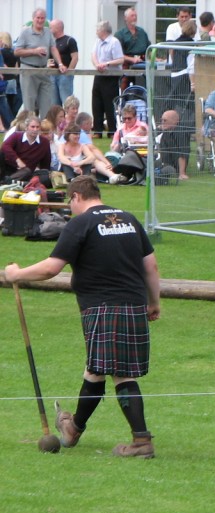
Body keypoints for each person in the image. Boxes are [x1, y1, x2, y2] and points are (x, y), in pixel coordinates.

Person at [5, 175, 161, 458]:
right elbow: (150, 264)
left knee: (116, 373)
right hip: (131, 304)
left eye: (69, 201)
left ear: (76, 196)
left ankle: (140, 442)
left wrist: (17, 274)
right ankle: (74, 428)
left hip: (103, 307)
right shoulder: (128, 218)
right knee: (98, 370)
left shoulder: (81, 223)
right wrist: (154, 301)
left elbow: (52, 268)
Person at [14, 9, 62, 116]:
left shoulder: (48, 32)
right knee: (29, 105)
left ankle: (44, 131)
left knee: (46, 104)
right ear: (33, 19)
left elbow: (53, 48)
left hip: (44, 70)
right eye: (38, 18)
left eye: (42, 18)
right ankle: (30, 130)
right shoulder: (25, 32)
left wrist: (60, 63)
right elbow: (17, 52)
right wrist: (34, 51)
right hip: (28, 70)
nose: (40, 20)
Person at [56, 124, 125, 183]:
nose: (77, 136)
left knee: (89, 161)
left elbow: (92, 157)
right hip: (68, 170)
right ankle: (71, 179)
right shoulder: (62, 145)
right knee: (65, 164)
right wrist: (73, 165)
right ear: (68, 135)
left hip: (80, 170)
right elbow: (61, 157)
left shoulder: (82, 146)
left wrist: (80, 163)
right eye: (75, 134)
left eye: (78, 134)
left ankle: (85, 178)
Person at [91, 21, 124, 139]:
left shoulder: (114, 42)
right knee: (96, 102)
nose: (96, 32)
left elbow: (120, 59)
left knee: (109, 103)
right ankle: (98, 130)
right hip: (99, 74)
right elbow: (93, 54)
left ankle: (112, 131)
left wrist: (107, 64)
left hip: (111, 76)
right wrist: (97, 65)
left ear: (103, 30)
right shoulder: (97, 42)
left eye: (97, 29)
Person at [1, 114, 51, 180]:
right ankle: (7, 180)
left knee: (39, 174)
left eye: (37, 127)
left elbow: (46, 162)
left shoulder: (44, 142)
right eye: (32, 127)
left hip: (26, 172)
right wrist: (17, 160)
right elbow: (5, 147)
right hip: (9, 167)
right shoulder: (16, 135)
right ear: (26, 127)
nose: (35, 129)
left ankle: (7, 181)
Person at [49, 20, 78, 108]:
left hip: (64, 75)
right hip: (52, 75)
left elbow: (75, 57)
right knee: (54, 104)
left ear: (58, 28)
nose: (49, 29)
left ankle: (69, 121)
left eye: (51, 27)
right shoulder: (52, 42)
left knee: (67, 102)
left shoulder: (69, 40)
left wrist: (69, 73)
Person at [155, 109, 190, 180]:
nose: (162, 123)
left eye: (165, 121)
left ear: (175, 121)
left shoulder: (181, 133)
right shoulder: (166, 131)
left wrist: (182, 173)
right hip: (163, 163)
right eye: (162, 120)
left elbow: (182, 154)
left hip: (172, 167)